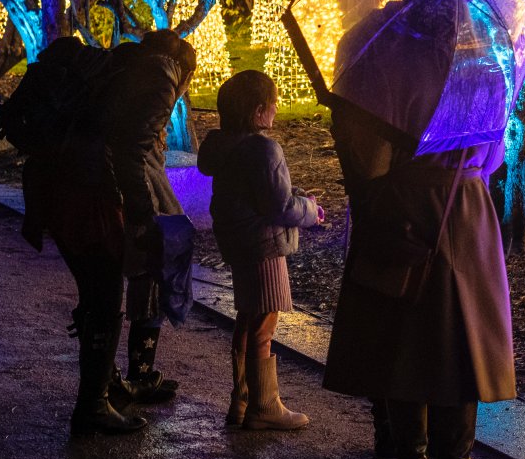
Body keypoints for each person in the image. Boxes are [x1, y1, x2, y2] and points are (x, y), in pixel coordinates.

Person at [322, 0, 515, 459]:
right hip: (467, 211)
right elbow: (494, 157)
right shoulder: (483, 64)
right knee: (462, 342)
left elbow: (369, 158)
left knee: (403, 339)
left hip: (402, 204)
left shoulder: (378, 54)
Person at [21, 28, 195, 437]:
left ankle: (103, 388)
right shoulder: (160, 77)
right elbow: (129, 151)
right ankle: (94, 404)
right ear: (183, 68)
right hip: (90, 197)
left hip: (56, 186)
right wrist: (142, 218)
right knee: (104, 297)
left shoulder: (115, 66)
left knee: (95, 292)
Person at [198, 70, 325, 430]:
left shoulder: (226, 147)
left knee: (247, 317)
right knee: (264, 324)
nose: (276, 109)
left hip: (239, 241)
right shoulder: (264, 149)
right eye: (273, 103)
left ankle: (241, 400)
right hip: (264, 244)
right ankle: (264, 406)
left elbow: (261, 192)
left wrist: (296, 197)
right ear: (258, 111)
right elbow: (279, 207)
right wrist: (311, 211)